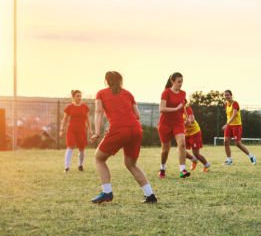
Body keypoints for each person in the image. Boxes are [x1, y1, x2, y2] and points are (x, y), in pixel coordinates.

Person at [90, 71, 157, 204]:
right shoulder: (128, 93)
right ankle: (150, 195)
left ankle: (107, 192)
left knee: (99, 158)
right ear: (120, 81)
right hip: (136, 130)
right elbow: (137, 115)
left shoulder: (101, 93)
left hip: (119, 129)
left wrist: (97, 132)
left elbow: (98, 112)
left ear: (106, 81)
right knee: (131, 164)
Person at [158, 72, 190, 179]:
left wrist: (187, 116)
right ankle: (162, 168)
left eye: (182, 82)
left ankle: (182, 170)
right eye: (178, 82)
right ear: (172, 81)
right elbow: (161, 109)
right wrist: (175, 109)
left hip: (178, 123)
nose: (181, 84)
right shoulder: (165, 93)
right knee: (165, 150)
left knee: (182, 144)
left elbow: (183, 106)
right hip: (165, 124)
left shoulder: (183, 93)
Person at [60, 89, 92, 172]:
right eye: (77, 96)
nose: (79, 98)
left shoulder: (85, 107)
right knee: (70, 146)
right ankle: (66, 167)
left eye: (80, 96)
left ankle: (80, 165)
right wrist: (61, 129)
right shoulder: (69, 107)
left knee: (82, 149)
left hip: (82, 130)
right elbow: (64, 120)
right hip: (72, 130)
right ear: (73, 97)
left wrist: (90, 129)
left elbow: (88, 119)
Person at [222, 90, 256, 166]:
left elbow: (234, 115)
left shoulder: (235, 103)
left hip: (236, 126)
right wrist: (228, 125)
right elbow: (228, 115)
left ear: (231, 95)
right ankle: (229, 160)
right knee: (226, 141)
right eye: (225, 95)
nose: (227, 96)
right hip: (229, 125)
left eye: (228, 95)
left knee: (237, 144)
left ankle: (251, 156)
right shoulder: (226, 104)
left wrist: (227, 124)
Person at [183, 103, 211, 172]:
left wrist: (181, 123)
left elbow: (191, 120)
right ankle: (194, 160)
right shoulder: (175, 110)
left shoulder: (187, 108)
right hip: (186, 133)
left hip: (194, 132)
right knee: (181, 150)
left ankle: (207, 165)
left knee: (196, 153)